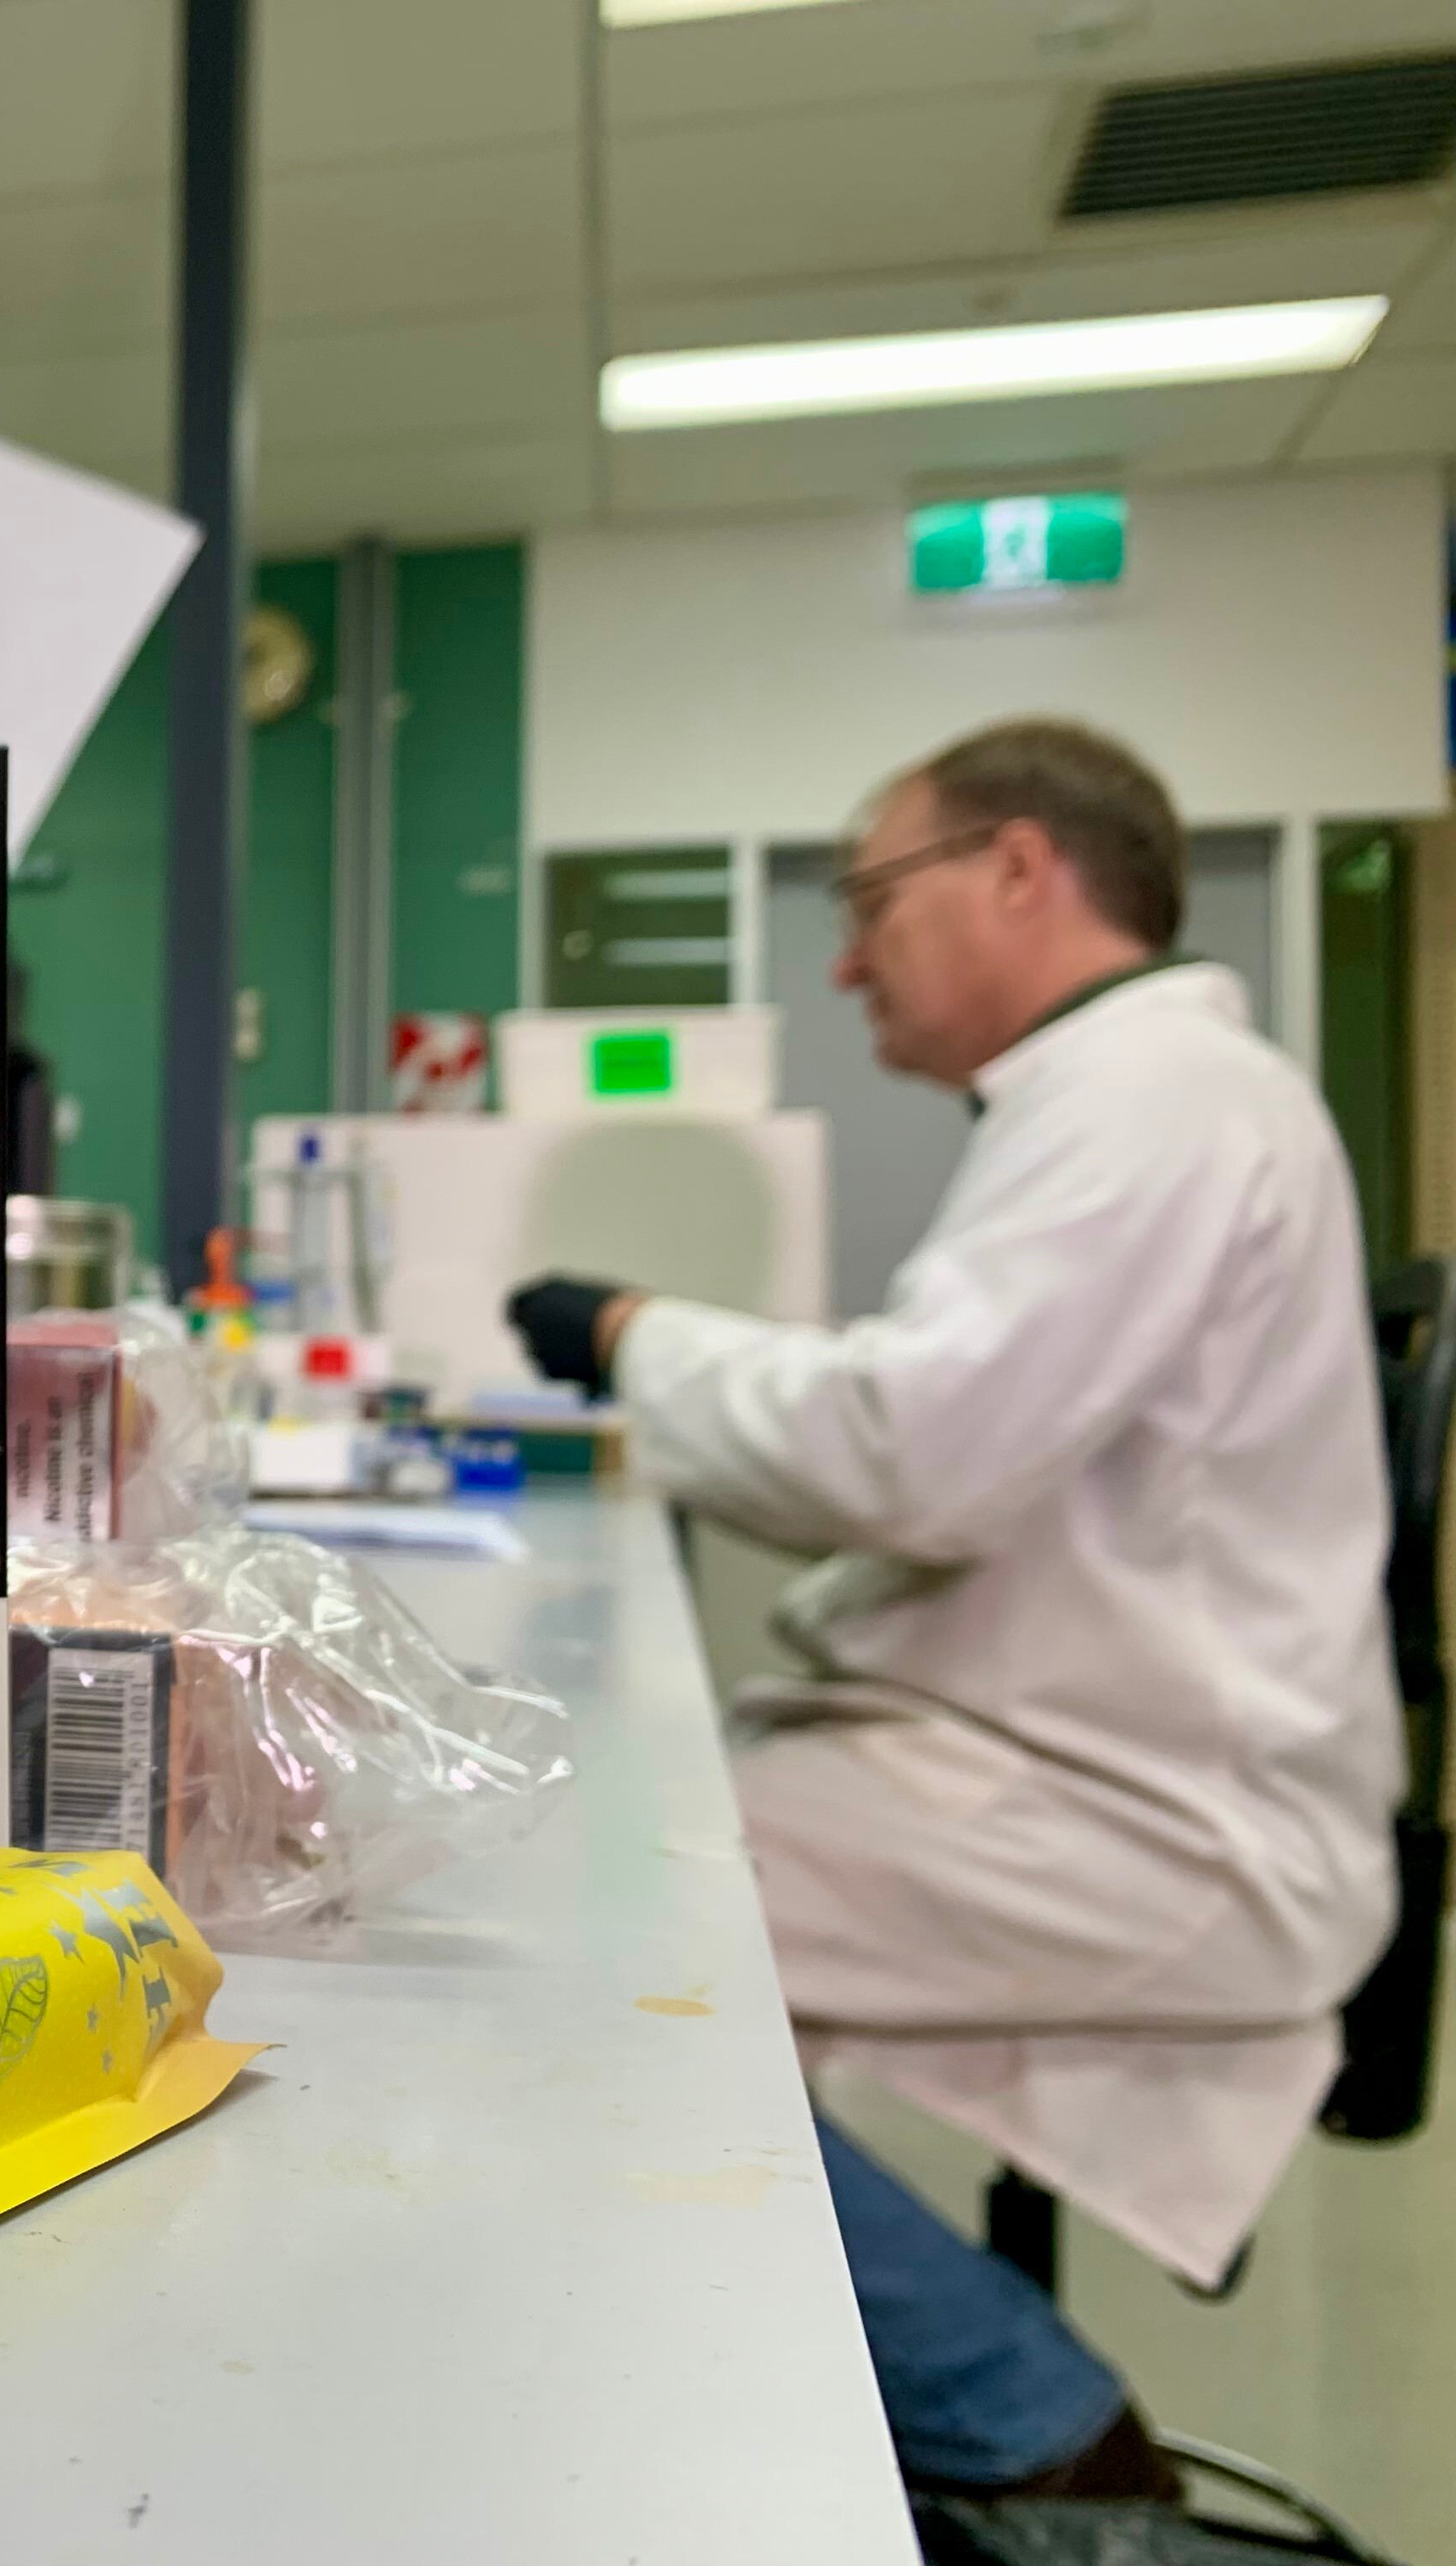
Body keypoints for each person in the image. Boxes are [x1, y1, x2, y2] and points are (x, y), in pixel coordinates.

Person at [507, 720, 1400, 2514]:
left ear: (1017, 868)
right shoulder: (1117, 1101)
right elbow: (960, 1426)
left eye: (869, 901)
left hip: (1158, 1821)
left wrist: (631, 1337)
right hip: (1082, 1769)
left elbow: (914, 1451)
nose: (843, 958)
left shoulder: (1156, 1102)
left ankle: (1039, 2442)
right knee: (602, 1855)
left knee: (590, 1935)